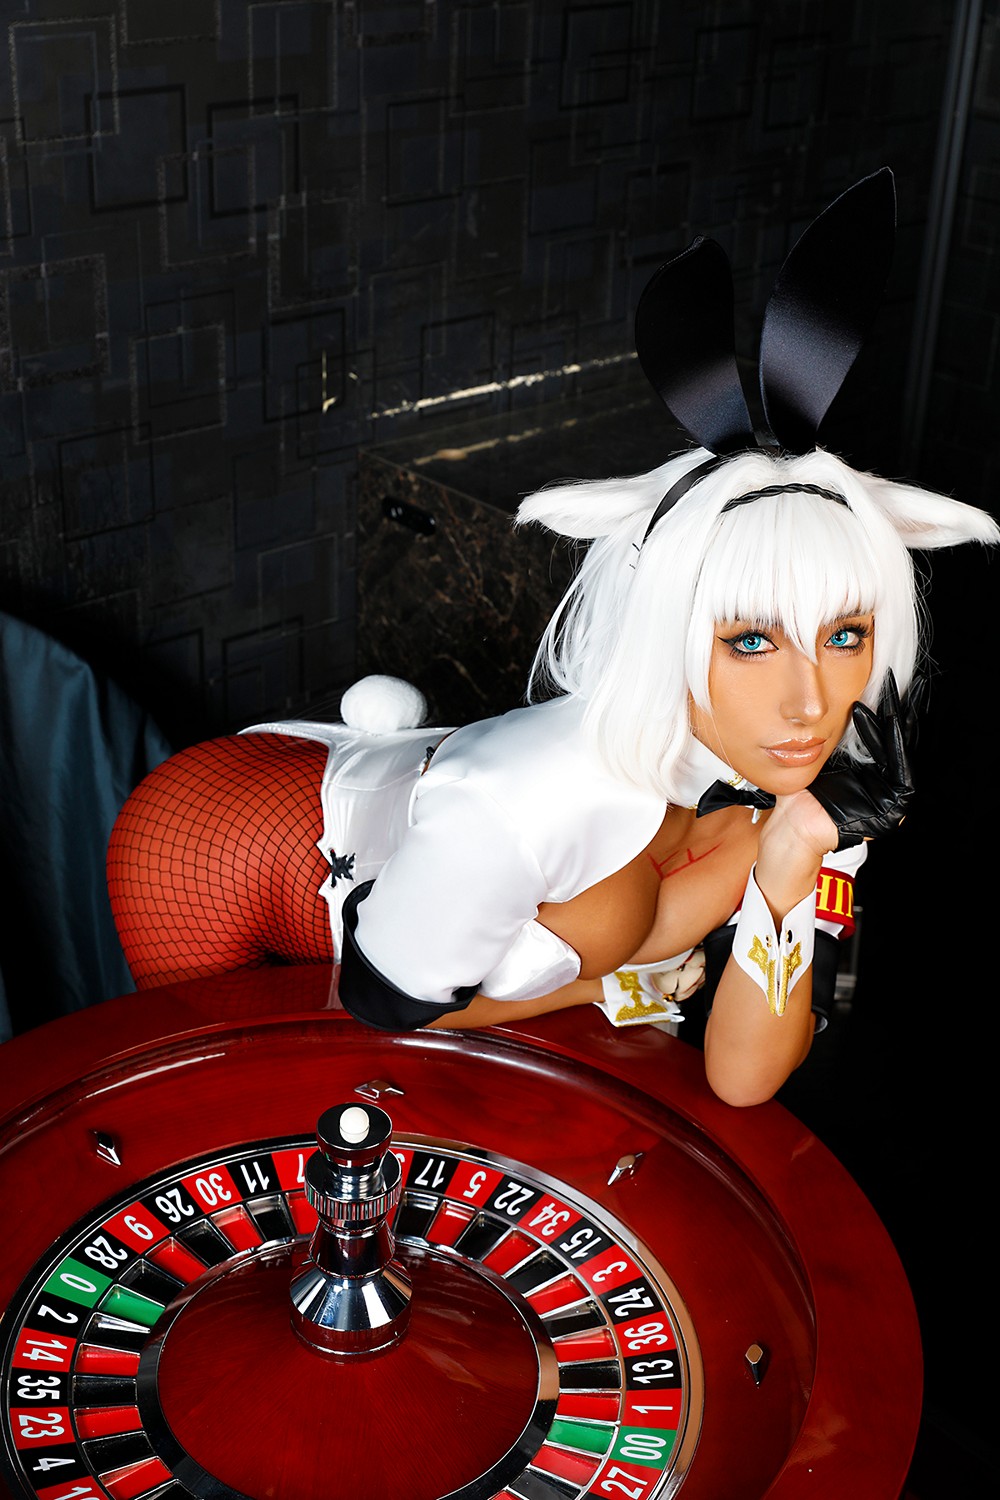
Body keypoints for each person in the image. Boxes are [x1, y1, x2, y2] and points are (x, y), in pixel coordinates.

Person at [106, 170, 998, 1105]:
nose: (809, 702)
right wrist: (602, 989)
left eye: (845, 634)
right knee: (233, 1111)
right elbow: (382, 1004)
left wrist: (792, 859)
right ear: (666, 627)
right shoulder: (531, 794)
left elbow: (742, 1081)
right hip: (206, 855)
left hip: (403, 867)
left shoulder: (827, 781)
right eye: (750, 641)